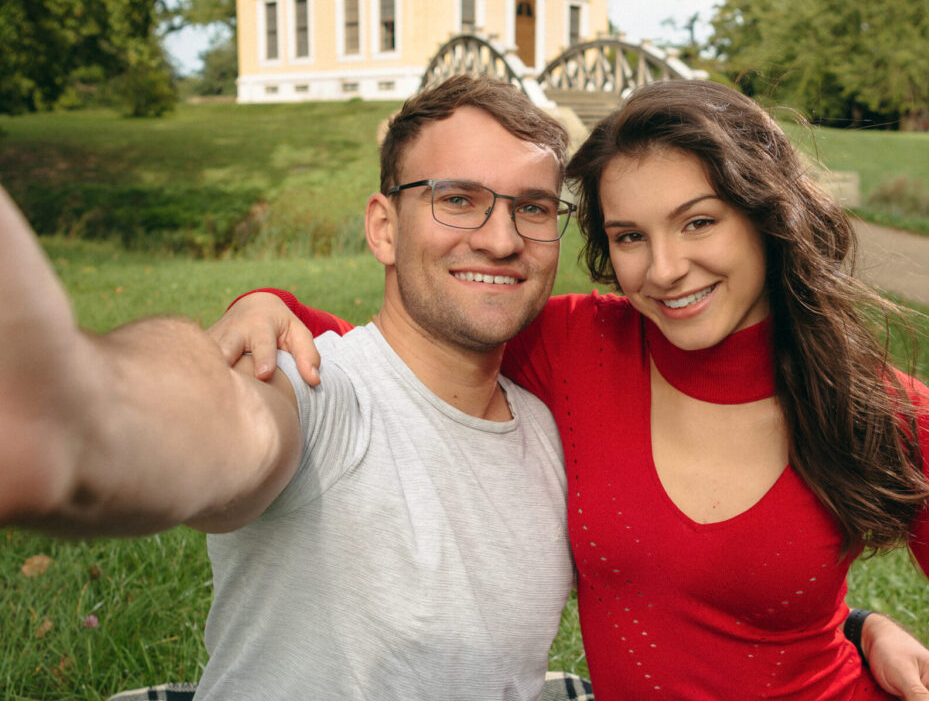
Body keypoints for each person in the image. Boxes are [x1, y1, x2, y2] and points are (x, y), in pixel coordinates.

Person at [216, 79, 929, 700]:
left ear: (767, 216)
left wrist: (863, 632)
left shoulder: (884, 414)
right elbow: (420, 332)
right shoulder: (578, 346)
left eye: (699, 222)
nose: (663, 270)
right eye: (630, 237)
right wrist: (269, 303)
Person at [0, 77, 585, 700]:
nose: (501, 240)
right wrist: (84, 411)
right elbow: (229, 420)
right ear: (383, 228)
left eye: (533, 208)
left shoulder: (554, 434)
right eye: (459, 200)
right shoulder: (324, 390)